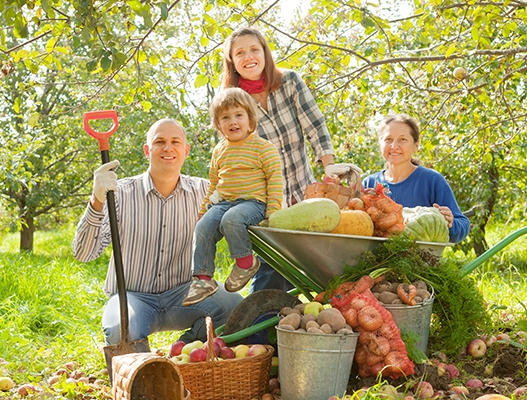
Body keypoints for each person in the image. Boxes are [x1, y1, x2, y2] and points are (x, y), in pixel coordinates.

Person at [72, 118, 243, 346]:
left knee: (235, 308)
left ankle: (184, 350)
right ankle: (143, 374)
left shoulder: (205, 192)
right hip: (133, 297)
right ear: (147, 150)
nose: (168, 148)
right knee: (118, 330)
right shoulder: (119, 194)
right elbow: (84, 254)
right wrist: (96, 200)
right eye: (159, 141)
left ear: (186, 150)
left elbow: (245, 203)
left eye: (175, 142)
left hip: (185, 293)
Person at [220, 26, 359, 292]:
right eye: (240, 53)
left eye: (254, 49)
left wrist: (328, 164)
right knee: (272, 271)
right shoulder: (230, 102)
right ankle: (261, 327)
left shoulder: (290, 82)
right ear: (232, 62)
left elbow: (315, 125)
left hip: (303, 193)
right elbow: (234, 154)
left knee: (319, 265)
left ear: (264, 52)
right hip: (266, 201)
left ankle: (327, 315)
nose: (248, 57)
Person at [182, 87, 283, 306]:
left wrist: (273, 211)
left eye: (238, 115)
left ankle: (246, 262)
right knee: (203, 228)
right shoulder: (219, 150)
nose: (232, 121)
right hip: (225, 202)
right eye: (225, 117)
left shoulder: (263, 148)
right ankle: (202, 279)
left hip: (254, 203)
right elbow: (215, 184)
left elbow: (275, 180)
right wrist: (203, 210)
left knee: (232, 220)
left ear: (250, 119)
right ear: (218, 124)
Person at [362, 113, 470, 243]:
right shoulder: (369, 184)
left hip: (419, 260)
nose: (394, 146)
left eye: (403, 139)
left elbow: (463, 226)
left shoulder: (432, 181)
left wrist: (451, 222)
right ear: (380, 143)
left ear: (416, 145)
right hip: (373, 260)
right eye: (388, 139)